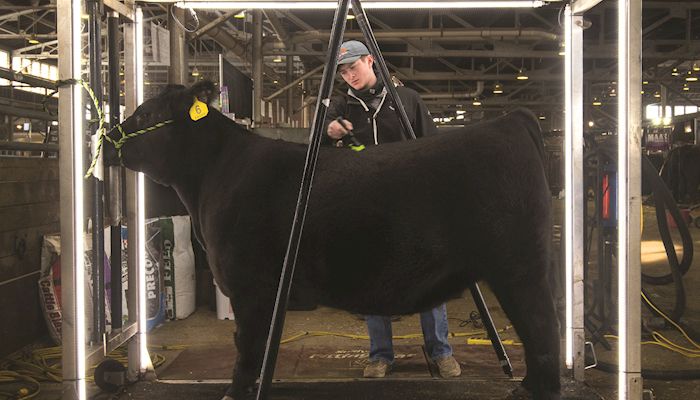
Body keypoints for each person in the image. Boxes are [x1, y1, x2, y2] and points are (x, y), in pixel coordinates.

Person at [323, 40, 461, 379]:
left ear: (370, 60)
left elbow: (435, 147)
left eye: (353, 66)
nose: (349, 75)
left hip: (413, 207)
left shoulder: (407, 100)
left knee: (429, 278)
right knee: (373, 280)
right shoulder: (341, 104)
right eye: (342, 71)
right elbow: (319, 138)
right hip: (367, 209)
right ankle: (380, 356)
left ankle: (440, 351)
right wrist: (330, 130)